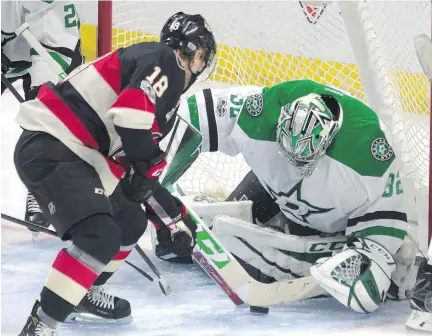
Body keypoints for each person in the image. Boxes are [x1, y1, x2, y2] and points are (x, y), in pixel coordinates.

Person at [14, 11, 217, 335]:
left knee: (129, 222)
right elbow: (130, 123)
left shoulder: (157, 74)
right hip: (54, 146)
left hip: (79, 154)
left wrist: (170, 216)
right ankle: (40, 326)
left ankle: (79, 294)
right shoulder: (166, 62)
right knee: (99, 235)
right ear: (197, 55)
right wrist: (148, 167)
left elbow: (133, 166)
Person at [159, 79, 419, 314]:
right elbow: (192, 114)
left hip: (330, 223)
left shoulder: (369, 156)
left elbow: (386, 217)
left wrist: (373, 256)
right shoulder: (263, 109)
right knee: (189, 240)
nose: (295, 164)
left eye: (302, 158)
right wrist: (154, 168)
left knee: (258, 263)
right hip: (274, 188)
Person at [1, 0, 84, 230]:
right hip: (8, 44)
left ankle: (40, 188)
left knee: (45, 114)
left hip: (50, 45)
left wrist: (41, 96)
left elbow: (55, 48)